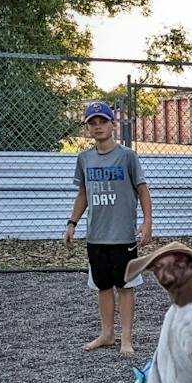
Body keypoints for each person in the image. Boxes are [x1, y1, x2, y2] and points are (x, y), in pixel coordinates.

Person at [64, 101, 152, 354]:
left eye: (103, 121)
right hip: (96, 236)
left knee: (126, 287)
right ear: (87, 129)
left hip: (123, 236)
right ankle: (107, 334)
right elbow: (83, 193)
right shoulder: (84, 159)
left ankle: (126, 338)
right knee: (102, 286)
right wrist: (72, 223)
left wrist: (147, 222)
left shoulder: (127, 156)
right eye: (93, 123)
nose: (98, 127)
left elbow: (142, 190)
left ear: (113, 125)